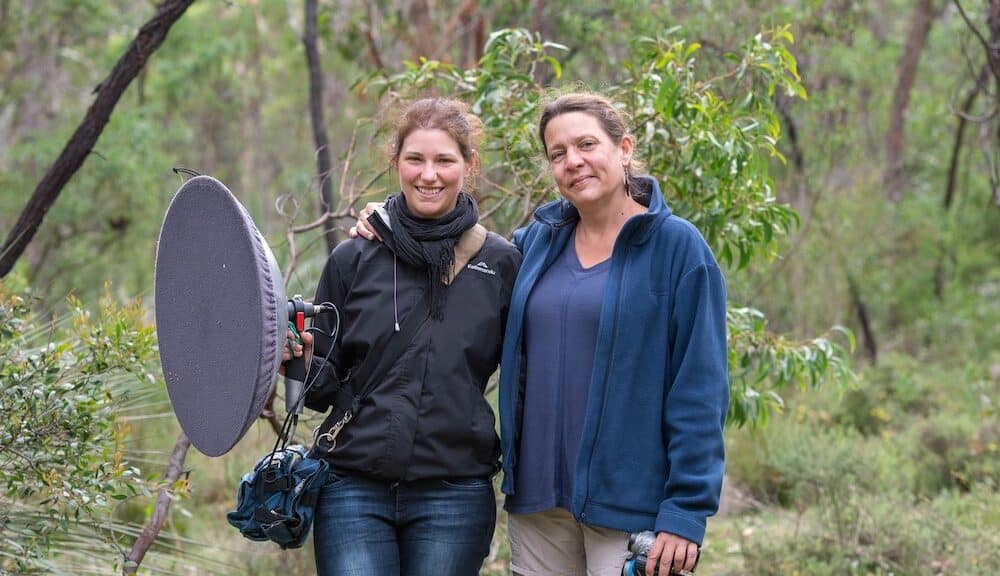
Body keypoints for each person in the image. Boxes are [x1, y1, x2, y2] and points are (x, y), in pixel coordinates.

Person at [353, 92, 728, 576]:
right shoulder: (534, 246)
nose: (574, 161)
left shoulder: (678, 249)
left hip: (630, 507)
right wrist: (385, 223)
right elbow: (452, 280)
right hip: (539, 501)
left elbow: (700, 389)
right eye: (558, 153)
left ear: (625, 148)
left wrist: (686, 511)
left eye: (587, 145)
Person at [285, 97, 522, 576]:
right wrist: (300, 360)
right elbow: (323, 388)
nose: (428, 174)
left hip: (454, 491)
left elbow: (526, 373)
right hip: (352, 487)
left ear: (468, 166)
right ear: (396, 163)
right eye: (415, 159)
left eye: (444, 161)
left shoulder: (500, 264)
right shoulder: (353, 259)